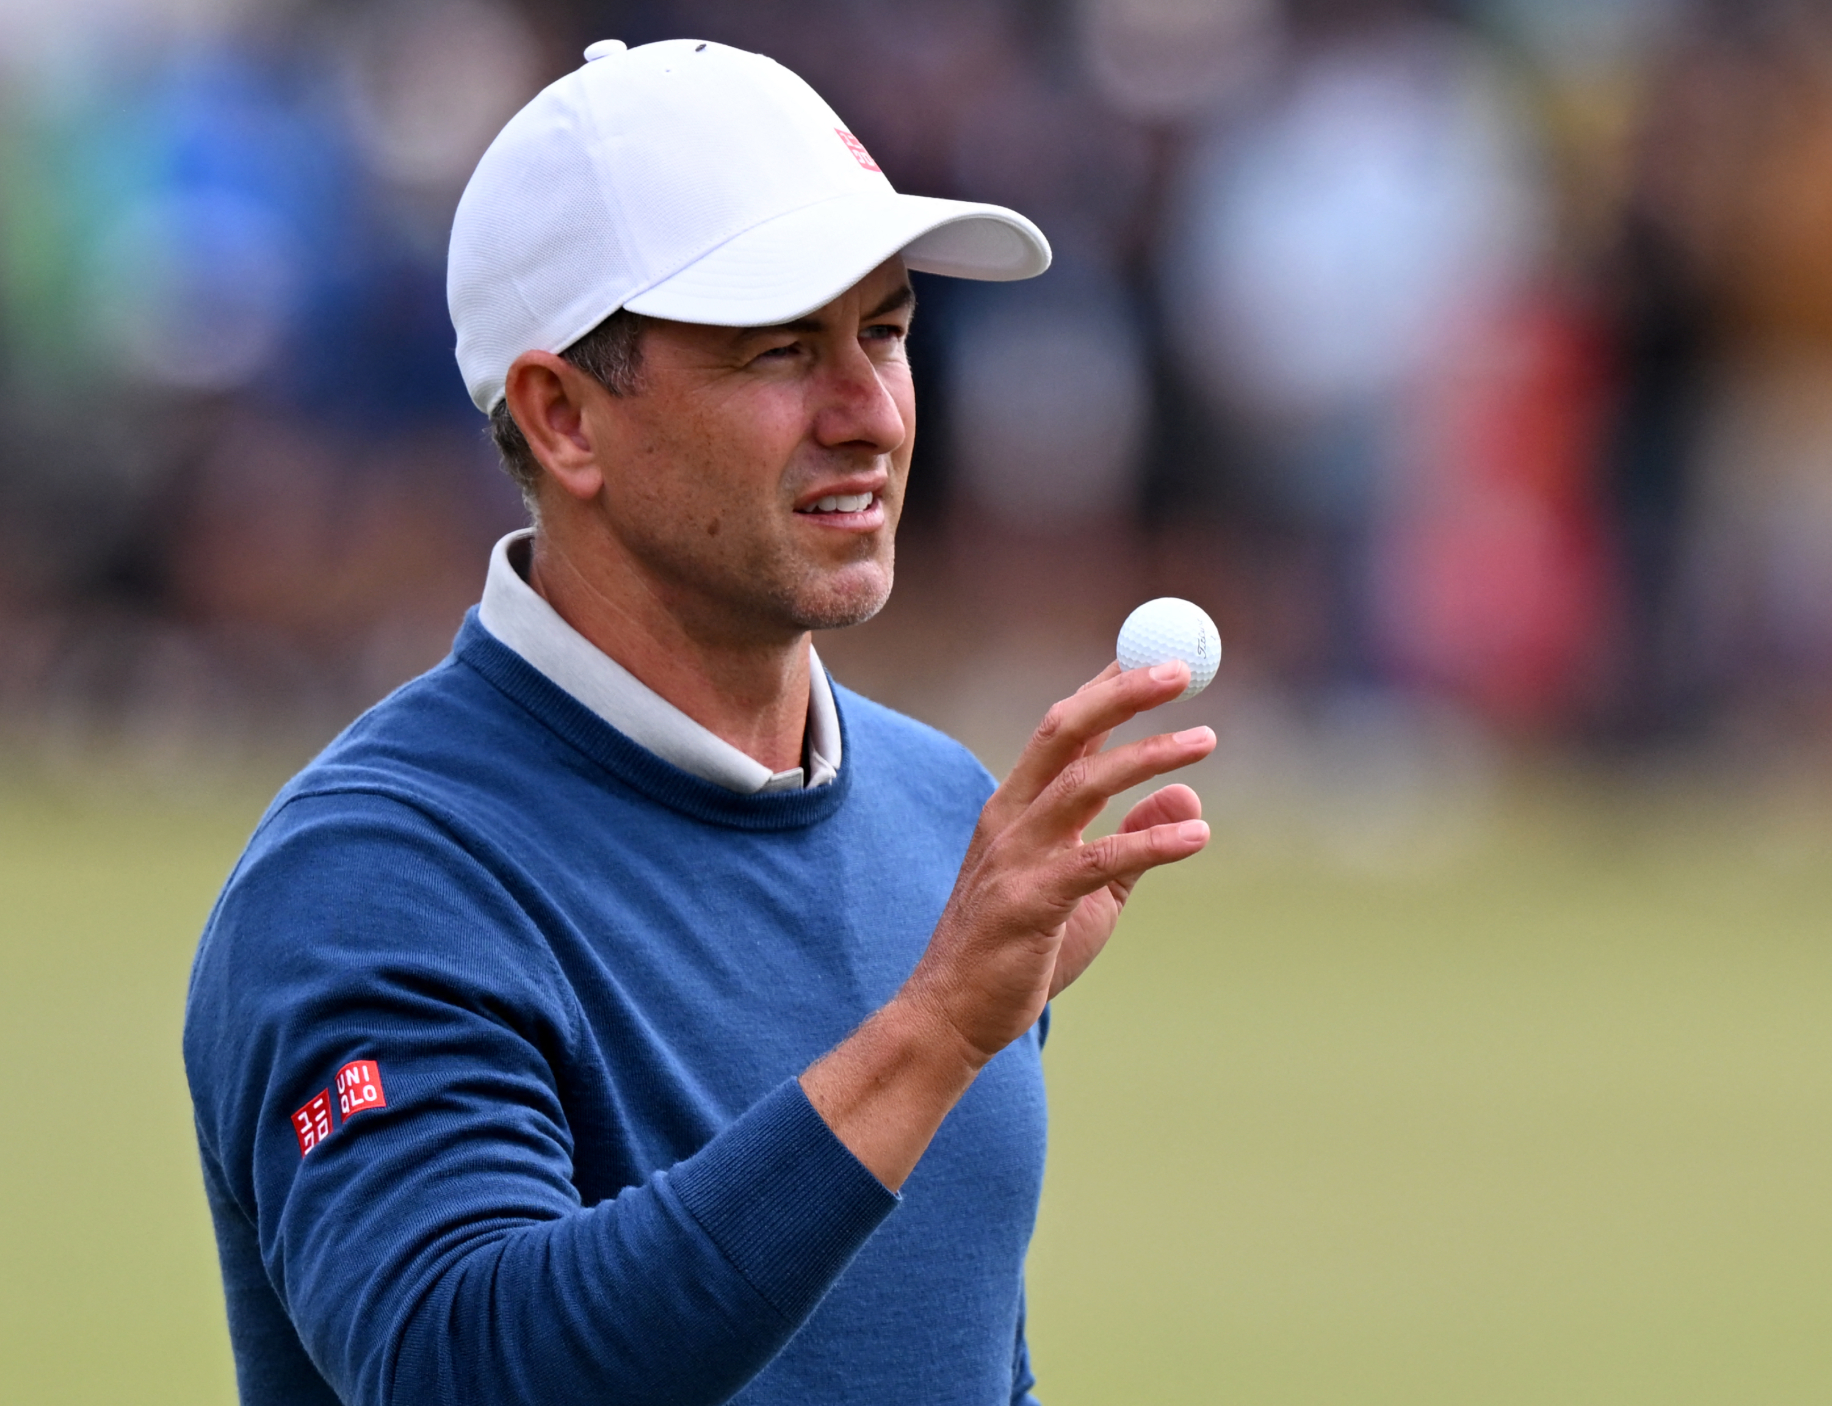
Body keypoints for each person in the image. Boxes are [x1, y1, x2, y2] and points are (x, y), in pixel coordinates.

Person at [183, 38, 1217, 1406]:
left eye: (888, 331)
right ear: (563, 418)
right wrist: (936, 1030)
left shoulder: (938, 815)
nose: (872, 414)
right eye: (783, 347)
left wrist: (952, 1021)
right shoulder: (375, 878)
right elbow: (461, 1366)